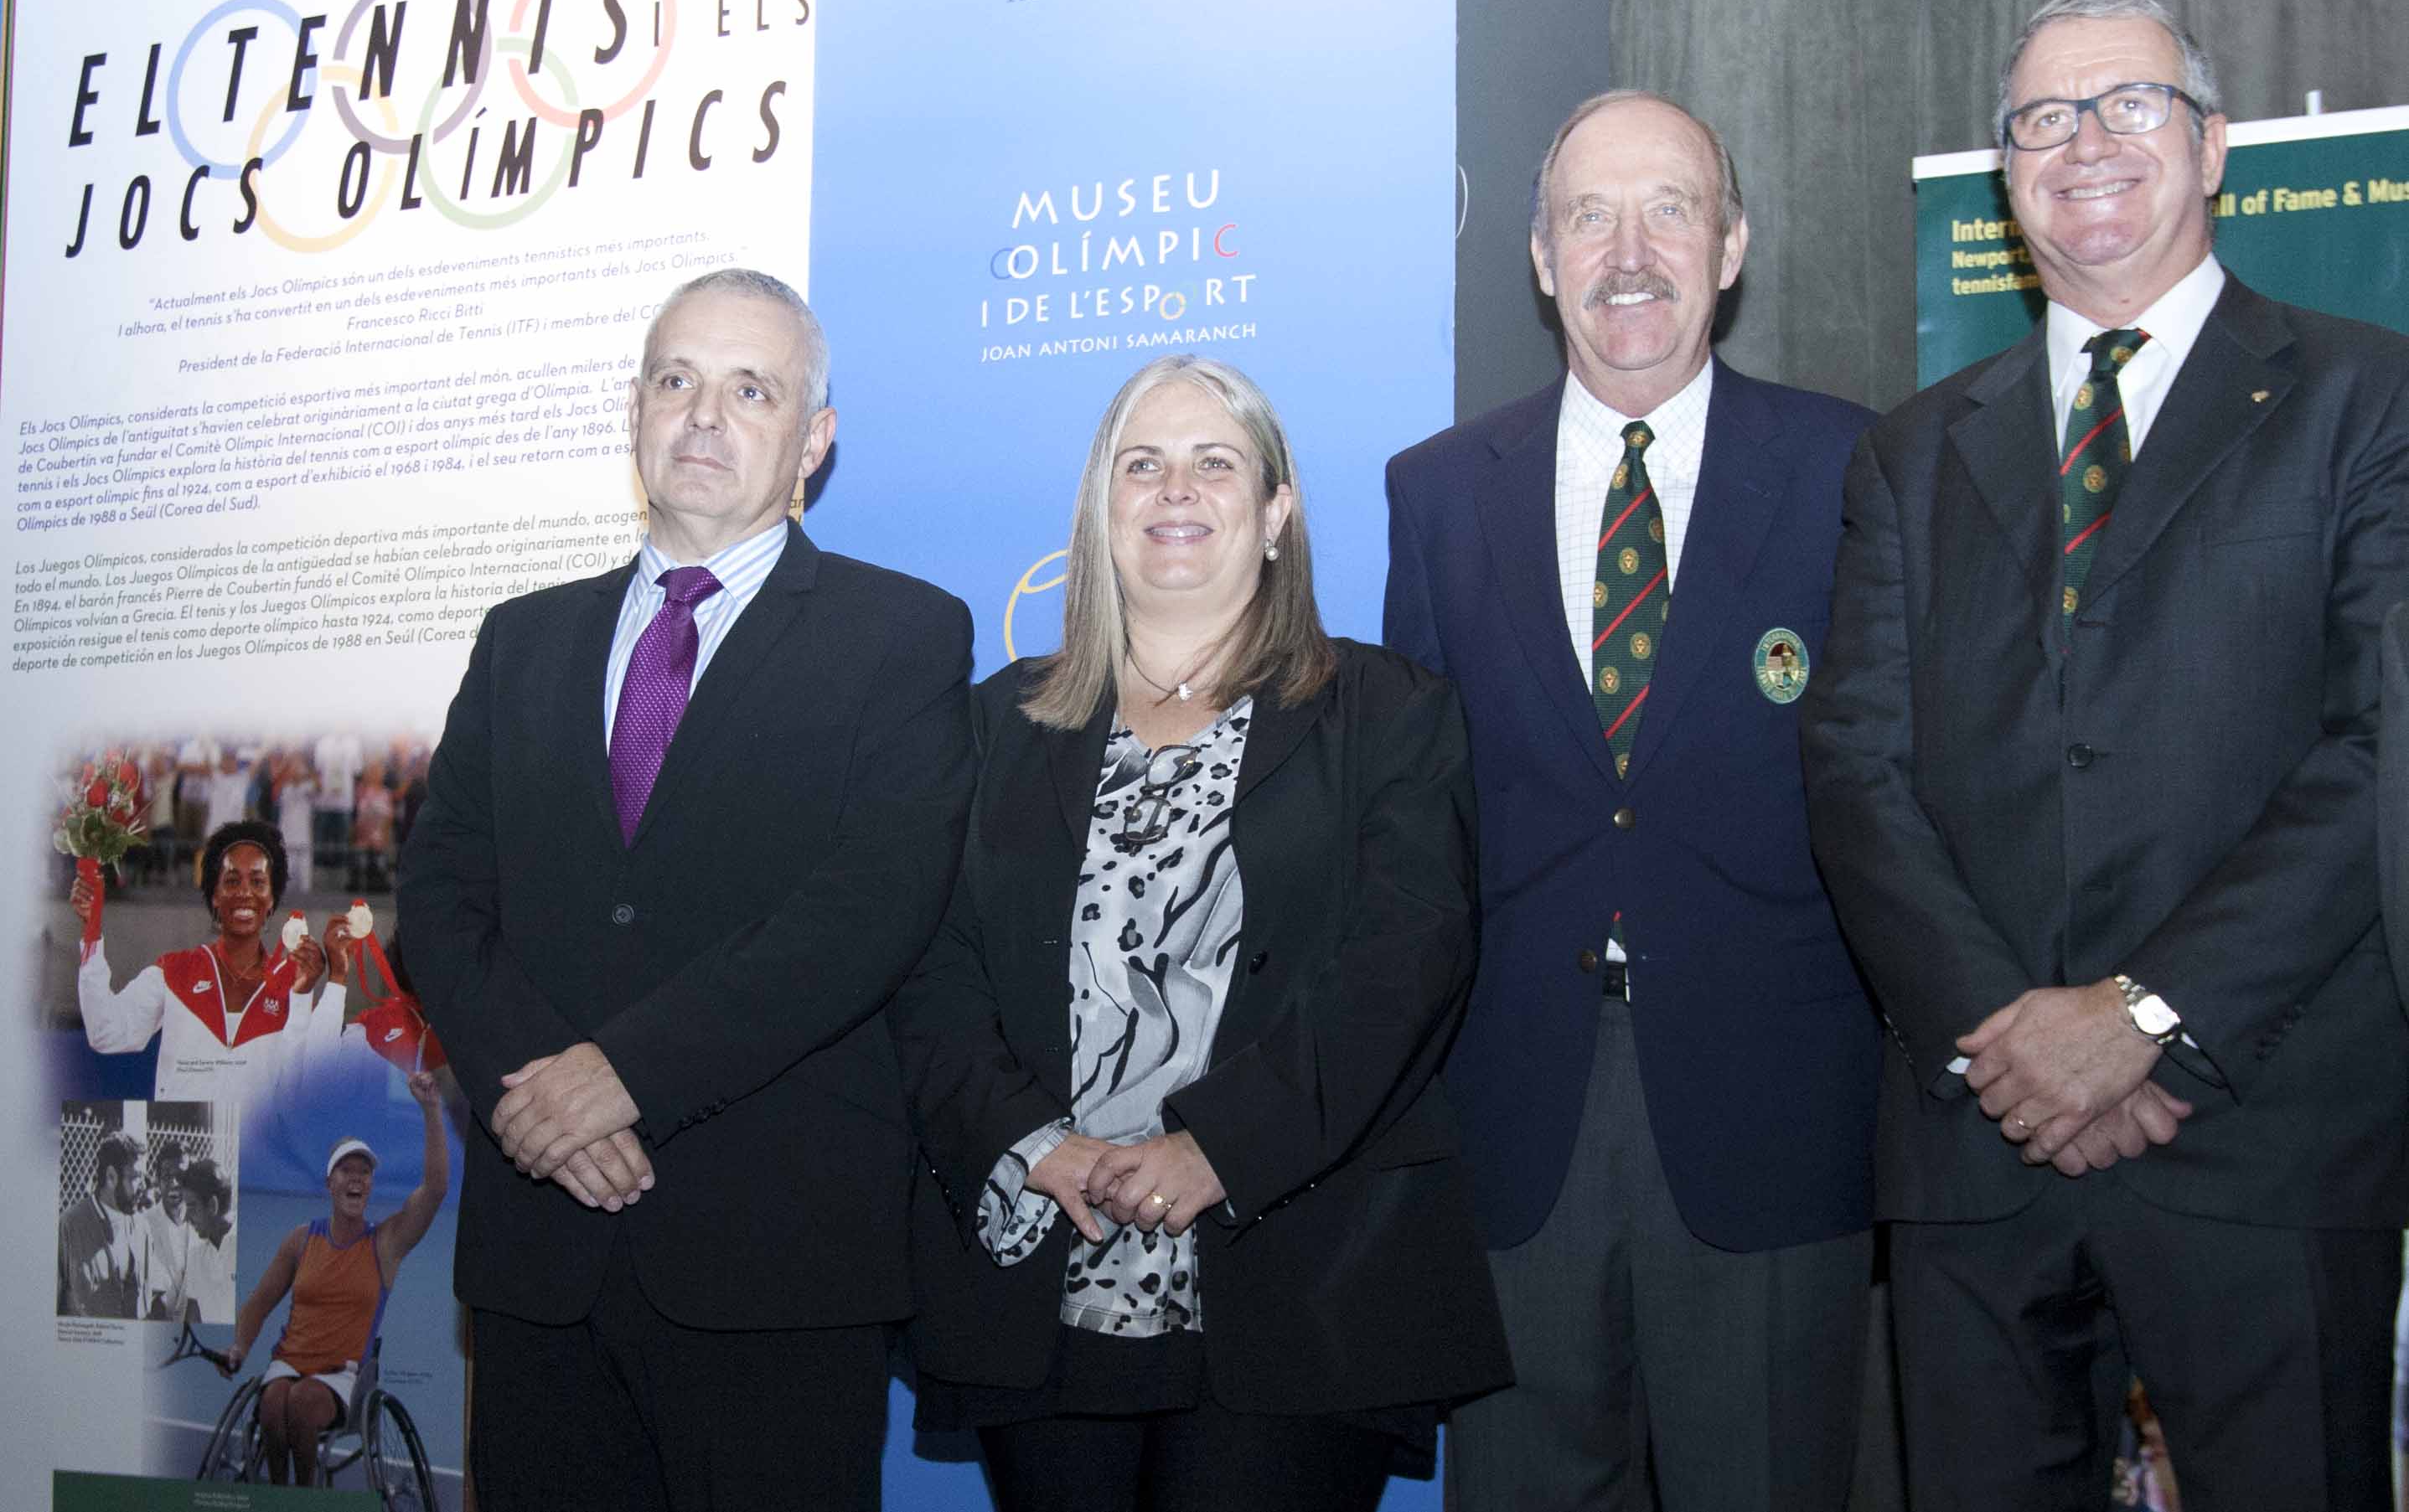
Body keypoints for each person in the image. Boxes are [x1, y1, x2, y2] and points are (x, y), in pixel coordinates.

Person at [1801, 0, 2409, 1511]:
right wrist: (2016, 1040)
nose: (2086, 143)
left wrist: (2144, 1015)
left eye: (2130, 104)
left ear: (2212, 149)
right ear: (2007, 180)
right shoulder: (1911, 449)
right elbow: (1858, 767)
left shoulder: (2369, 397)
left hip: (2263, 1128)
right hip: (1978, 1137)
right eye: (2042, 120)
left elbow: (2379, 745)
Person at [399, 267, 974, 1511]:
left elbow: (867, 910)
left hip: (771, 1265)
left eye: (749, 389)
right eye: (676, 381)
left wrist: (624, 1077)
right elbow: (438, 897)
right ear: (636, 412)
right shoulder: (521, 639)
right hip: (541, 1258)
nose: (703, 417)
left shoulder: (903, 636)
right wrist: (549, 1092)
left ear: (812, 442)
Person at [892, 354, 1508, 1511]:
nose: (1174, 489)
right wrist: (1032, 1143)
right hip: (1043, 1287)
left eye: (1212, 463)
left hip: (1294, 1279)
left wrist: (1217, 1149)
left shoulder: (1387, 714)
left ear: (1274, 513)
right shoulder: (993, 726)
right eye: (1142, 465)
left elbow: (1407, 964)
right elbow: (928, 973)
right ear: (1100, 510)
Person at [1383, 90, 1880, 1510]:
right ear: (1540, 258)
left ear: (1731, 246)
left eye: (1670, 208)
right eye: (1588, 215)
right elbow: (1415, 823)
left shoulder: (1859, 468)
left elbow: (1895, 791)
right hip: (1513, 1116)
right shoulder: (1436, 494)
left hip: (1775, 1115)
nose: (1629, 249)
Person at [224, 1072, 448, 1486]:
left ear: (370, 1186)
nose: (357, 1178)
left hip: (342, 1376)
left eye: (364, 1172)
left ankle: (304, 1496)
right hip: (288, 1364)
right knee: (274, 1402)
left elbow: (435, 1189)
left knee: (304, 1401)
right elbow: (259, 1302)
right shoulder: (300, 1240)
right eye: (347, 1170)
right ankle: (278, 1493)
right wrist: (240, 1345)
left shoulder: (386, 1244)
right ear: (330, 1183)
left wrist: (432, 1110)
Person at [74, 820, 344, 1102]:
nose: (244, 892)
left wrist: (325, 982)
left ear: (272, 899)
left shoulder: (294, 982)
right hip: (180, 1144)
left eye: (258, 882)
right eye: (231, 880)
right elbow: (105, 1032)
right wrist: (91, 931)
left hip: (256, 1145)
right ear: (215, 895)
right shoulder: (176, 972)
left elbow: (310, 1087)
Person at [58, 1129, 145, 1318]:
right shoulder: (69, 1226)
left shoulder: (142, 1228)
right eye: (136, 1177)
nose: (143, 1187)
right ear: (111, 1176)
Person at [138, 1136, 194, 1322]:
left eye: (181, 1176)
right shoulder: (144, 1225)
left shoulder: (201, 1225)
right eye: (167, 1176)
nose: (174, 1183)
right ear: (158, 1180)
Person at [181, 1156, 236, 1324]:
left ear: (212, 1205)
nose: (186, 1217)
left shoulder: (250, 1247)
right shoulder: (196, 1257)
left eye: (191, 1206)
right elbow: (192, 1325)